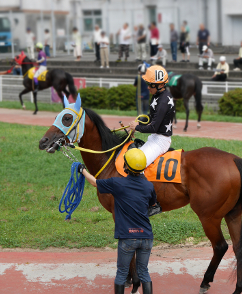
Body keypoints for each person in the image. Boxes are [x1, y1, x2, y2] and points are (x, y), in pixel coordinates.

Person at [79, 148, 156, 294]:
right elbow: (153, 204)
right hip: (146, 237)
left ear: (126, 166)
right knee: (144, 272)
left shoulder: (118, 184)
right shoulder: (148, 186)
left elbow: (95, 182)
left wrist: (82, 170)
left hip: (127, 237)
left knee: (121, 273)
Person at [129, 65, 175, 168]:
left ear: (160, 85)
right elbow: (152, 116)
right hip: (155, 138)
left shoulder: (163, 100)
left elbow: (154, 127)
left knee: (136, 164)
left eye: (151, 84)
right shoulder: (158, 96)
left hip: (161, 141)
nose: (148, 87)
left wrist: (136, 127)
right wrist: (138, 123)